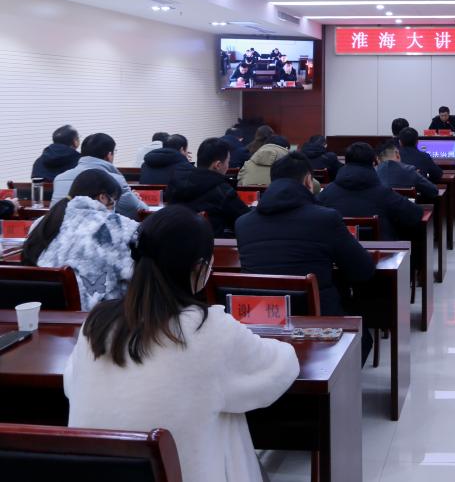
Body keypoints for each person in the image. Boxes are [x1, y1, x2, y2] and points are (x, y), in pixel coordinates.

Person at [64, 206, 300, 482]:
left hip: (99, 473)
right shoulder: (208, 329)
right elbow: (280, 367)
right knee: (227, 413)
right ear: (199, 268)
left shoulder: (96, 324)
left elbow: (71, 382)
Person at [236, 153, 375, 362]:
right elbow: (363, 270)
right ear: (308, 181)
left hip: (261, 322)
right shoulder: (326, 218)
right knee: (364, 338)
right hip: (317, 324)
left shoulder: (243, 224)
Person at [22, 169, 138, 311]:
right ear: (103, 197)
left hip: (42, 310)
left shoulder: (42, 222)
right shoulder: (117, 226)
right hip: (96, 317)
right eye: (114, 202)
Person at [318, 142, 424, 240]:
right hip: (380, 253)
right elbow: (416, 214)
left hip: (335, 253)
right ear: (374, 163)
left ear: (346, 162)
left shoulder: (327, 192)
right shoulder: (384, 193)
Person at [165, 138, 250, 237]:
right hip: (209, 244)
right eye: (228, 161)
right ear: (218, 165)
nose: (228, 165)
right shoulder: (222, 190)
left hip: (172, 242)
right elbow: (245, 220)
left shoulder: (176, 183)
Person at [52, 133, 146, 219]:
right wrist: (136, 200)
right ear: (109, 155)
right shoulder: (115, 179)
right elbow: (140, 210)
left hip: (57, 229)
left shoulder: (59, 178)